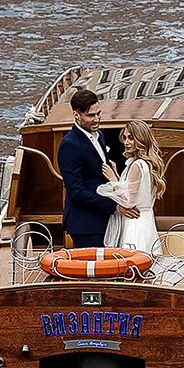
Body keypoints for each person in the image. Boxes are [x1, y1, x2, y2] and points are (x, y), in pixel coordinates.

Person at [56, 87, 129, 248]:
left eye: (98, 113)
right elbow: (76, 192)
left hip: (103, 219)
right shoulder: (69, 145)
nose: (96, 119)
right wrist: (114, 206)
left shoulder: (99, 135)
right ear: (76, 115)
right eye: (90, 115)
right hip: (86, 225)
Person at [104, 120, 166, 256]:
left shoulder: (137, 165)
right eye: (125, 138)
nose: (126, 142)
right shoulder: (147, 164)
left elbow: (128, 201)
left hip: (135, 224)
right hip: (147, 222)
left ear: (141, 139)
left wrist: (113, 179)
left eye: (131, 138)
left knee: (133, 264)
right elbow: (135, 192)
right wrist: (117, 175)